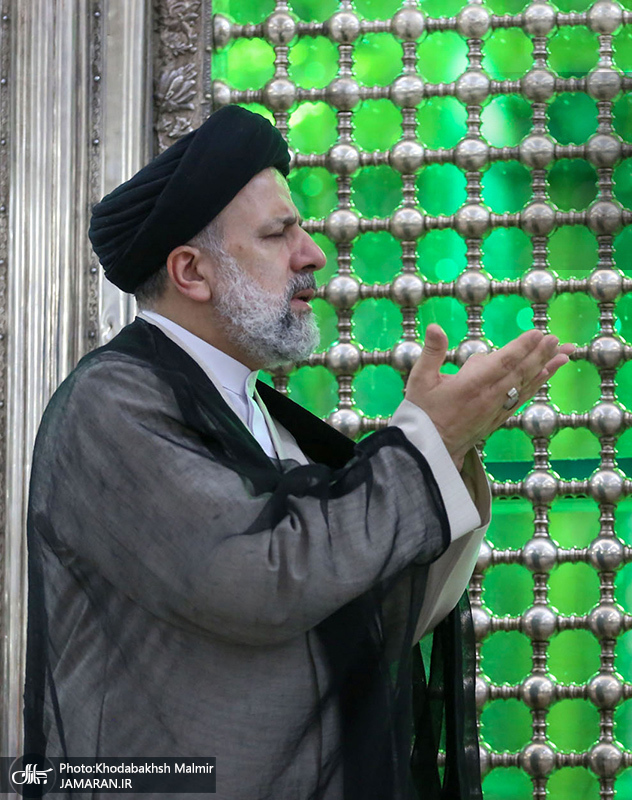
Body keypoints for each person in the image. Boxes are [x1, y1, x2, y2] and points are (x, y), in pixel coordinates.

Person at [22, 105, 572, 799]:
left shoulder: (257, 412)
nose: (312, 255)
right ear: (192, 271)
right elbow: (261, 580)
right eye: (279, 233)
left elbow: (360, 600)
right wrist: (425, 445)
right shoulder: (112, 404)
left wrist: (449, 446)